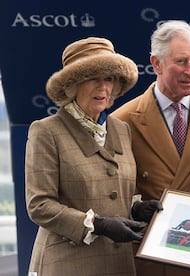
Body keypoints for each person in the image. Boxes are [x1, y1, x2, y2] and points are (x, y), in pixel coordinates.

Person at [25, 37, 162, 276]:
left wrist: (136, 208)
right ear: (73, 84)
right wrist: (97, 225)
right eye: (92, 78)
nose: (103, 87)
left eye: (109, 78)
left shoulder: (121, 128)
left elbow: (111, 192)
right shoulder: (46, 130)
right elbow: (40, 205)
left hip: (118, 264)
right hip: (68, 264)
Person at [111, 20, 190, 276]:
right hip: (149, 259)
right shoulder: (122, 121)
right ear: (156, 63)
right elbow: (113, 193)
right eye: (181, 61)